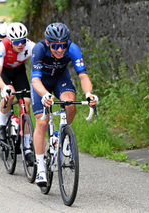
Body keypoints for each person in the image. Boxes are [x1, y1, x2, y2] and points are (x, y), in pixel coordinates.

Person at [30, 22, 98, 186]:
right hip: (41, 83)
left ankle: (64, 137)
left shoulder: (73, 48)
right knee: (42, 122)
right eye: (55, 46)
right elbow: (35, 80)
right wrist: (45, 94)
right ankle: (40, 168)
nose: (60, 49)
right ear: (48, 43)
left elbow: (83, 76)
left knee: (70, 104)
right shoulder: (39, 49)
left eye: (62, 45)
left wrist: (89, 94)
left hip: (61, 79)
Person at [0, 22, 35, 162]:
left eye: (22, 41)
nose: (20, 45)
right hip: (3, 71)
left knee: (27, 105)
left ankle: (28, 146)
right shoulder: (2, 46)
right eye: (16, 42)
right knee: (10, 94)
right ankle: (1, 123)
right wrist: (4, 87)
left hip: (18, 71)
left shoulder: (30, 46)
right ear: (10, 40)